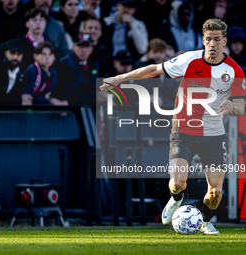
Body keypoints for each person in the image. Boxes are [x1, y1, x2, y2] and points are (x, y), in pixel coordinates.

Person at [100, 18, 245, 234]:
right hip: (184, 129)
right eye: (208, 40)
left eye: (217, 40)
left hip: (213, 134)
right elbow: (153, 70)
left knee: (215, 193)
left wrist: (232, 104)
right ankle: (175, 199)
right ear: (203, 41)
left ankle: (204, 220)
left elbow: (241, 107)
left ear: (224, 41)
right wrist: (119, 79)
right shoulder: (189, 60)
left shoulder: (234, 71)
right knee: (178, 183)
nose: (212, 44)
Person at [57, 33, 102, 104]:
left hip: (85, 107)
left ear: (92, 49)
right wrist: (95, 98)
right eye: (80, 46)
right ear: (73, 46)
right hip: (70, 109)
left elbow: (93, 88)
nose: (83, 50)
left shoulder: (94, 63)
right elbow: (70, 95)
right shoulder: (66, 63)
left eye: (87, 46)